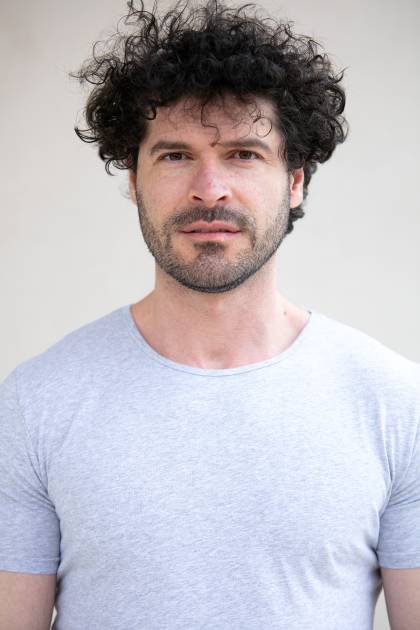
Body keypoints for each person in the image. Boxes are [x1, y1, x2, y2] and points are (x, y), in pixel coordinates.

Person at [0, 1, 419, 628]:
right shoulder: (37, 403)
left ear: (295, 181)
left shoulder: (396, 405)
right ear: (134, 181)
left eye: (245, 154)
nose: (209, 188)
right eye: (175, 155)